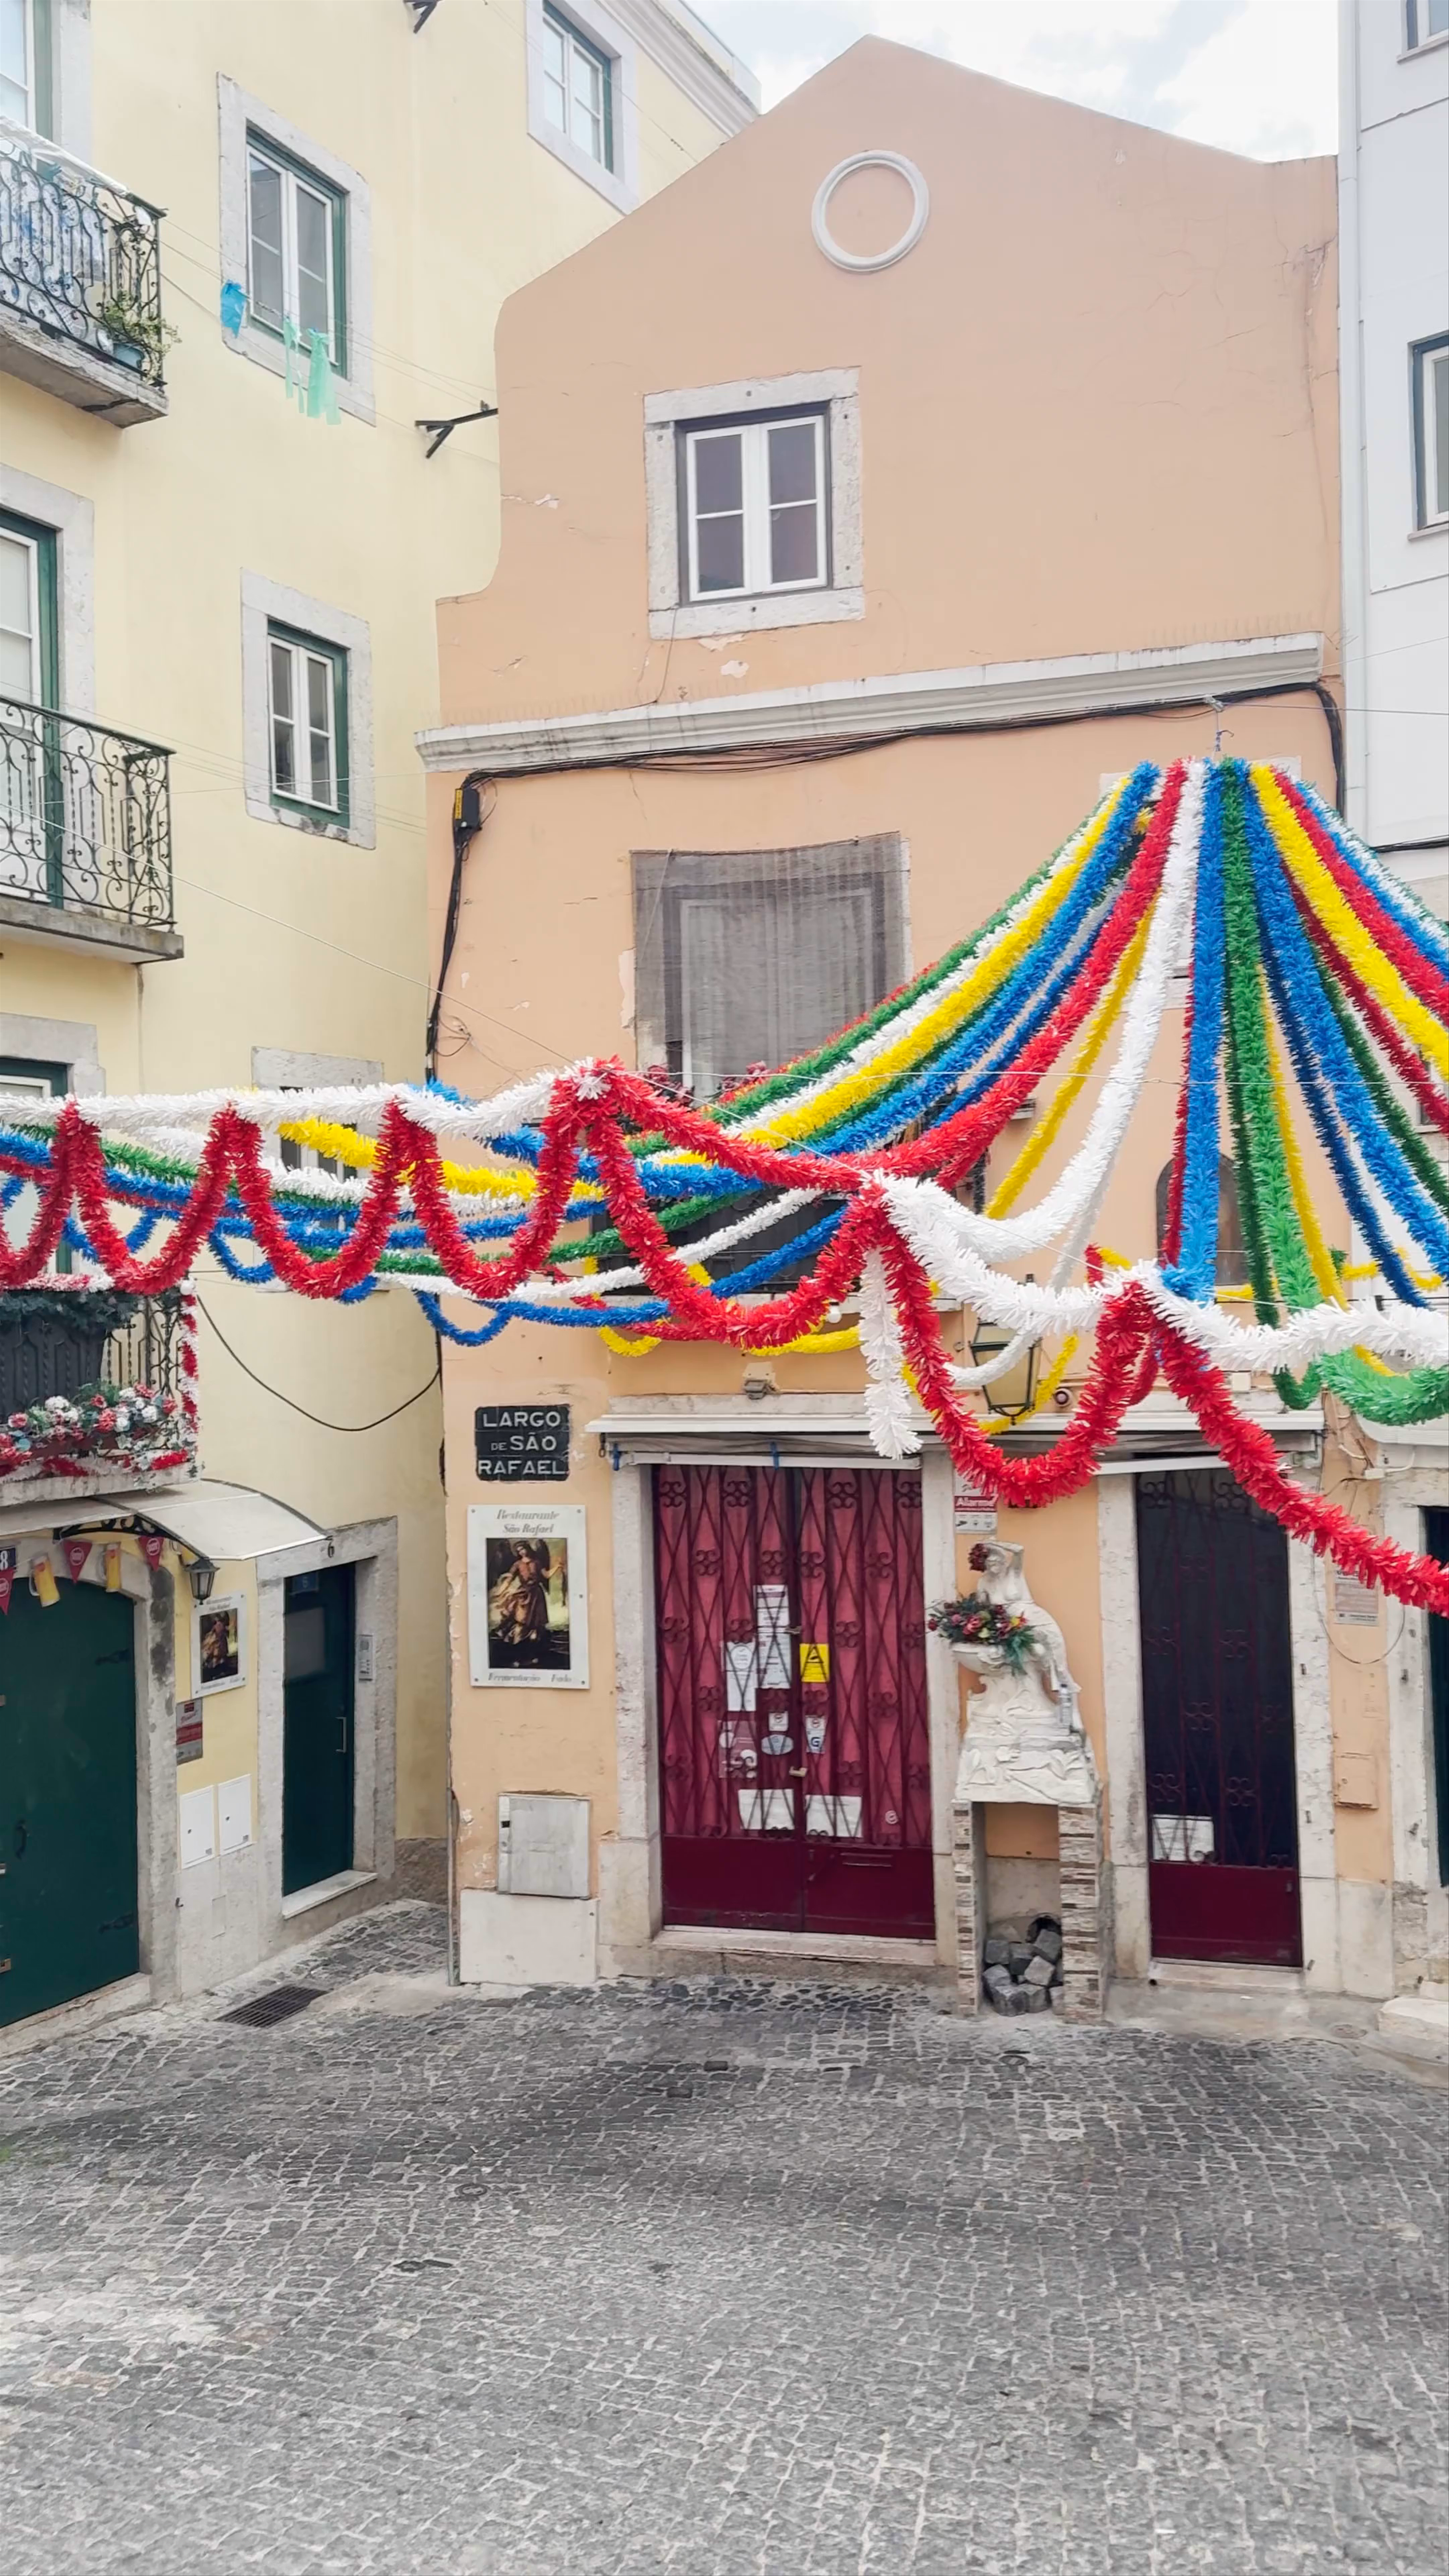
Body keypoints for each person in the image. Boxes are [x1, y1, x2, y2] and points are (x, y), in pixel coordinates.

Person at [490, 1540, 552, 1660]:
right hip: (523, 1594)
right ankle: (516, 1654)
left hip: (537, 1595)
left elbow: (546, 1575)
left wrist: (558, 1567)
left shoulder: (537, 1562)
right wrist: (500, 1592)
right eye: (519, 1551)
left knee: (536, 1625)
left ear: (527, 1548)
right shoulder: (517, 1564)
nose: (522, 1552)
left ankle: (534, 1655)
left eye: (523, 1549)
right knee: (521, 1621)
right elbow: (509, 1580)